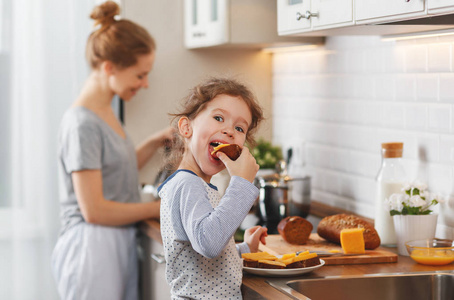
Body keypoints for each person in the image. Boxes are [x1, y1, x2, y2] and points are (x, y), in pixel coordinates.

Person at [51, 1, 173, 299]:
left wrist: (156, 141)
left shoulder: (103, 112)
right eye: (140, 75)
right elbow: (95, 210)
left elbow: (115, 166)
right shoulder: (82, 123)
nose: (144, 84)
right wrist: (161, 209)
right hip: (91, 248)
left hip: (112, 242)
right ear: (109, 68)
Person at [158, 77, 268, 299]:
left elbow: (206, 262)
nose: (229, 131)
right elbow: (208, 242)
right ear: (186, 128)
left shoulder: (199, 185)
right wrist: (242, 184)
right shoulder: (187, 184)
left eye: (239, 128)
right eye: (218, 118)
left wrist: (244, 249)